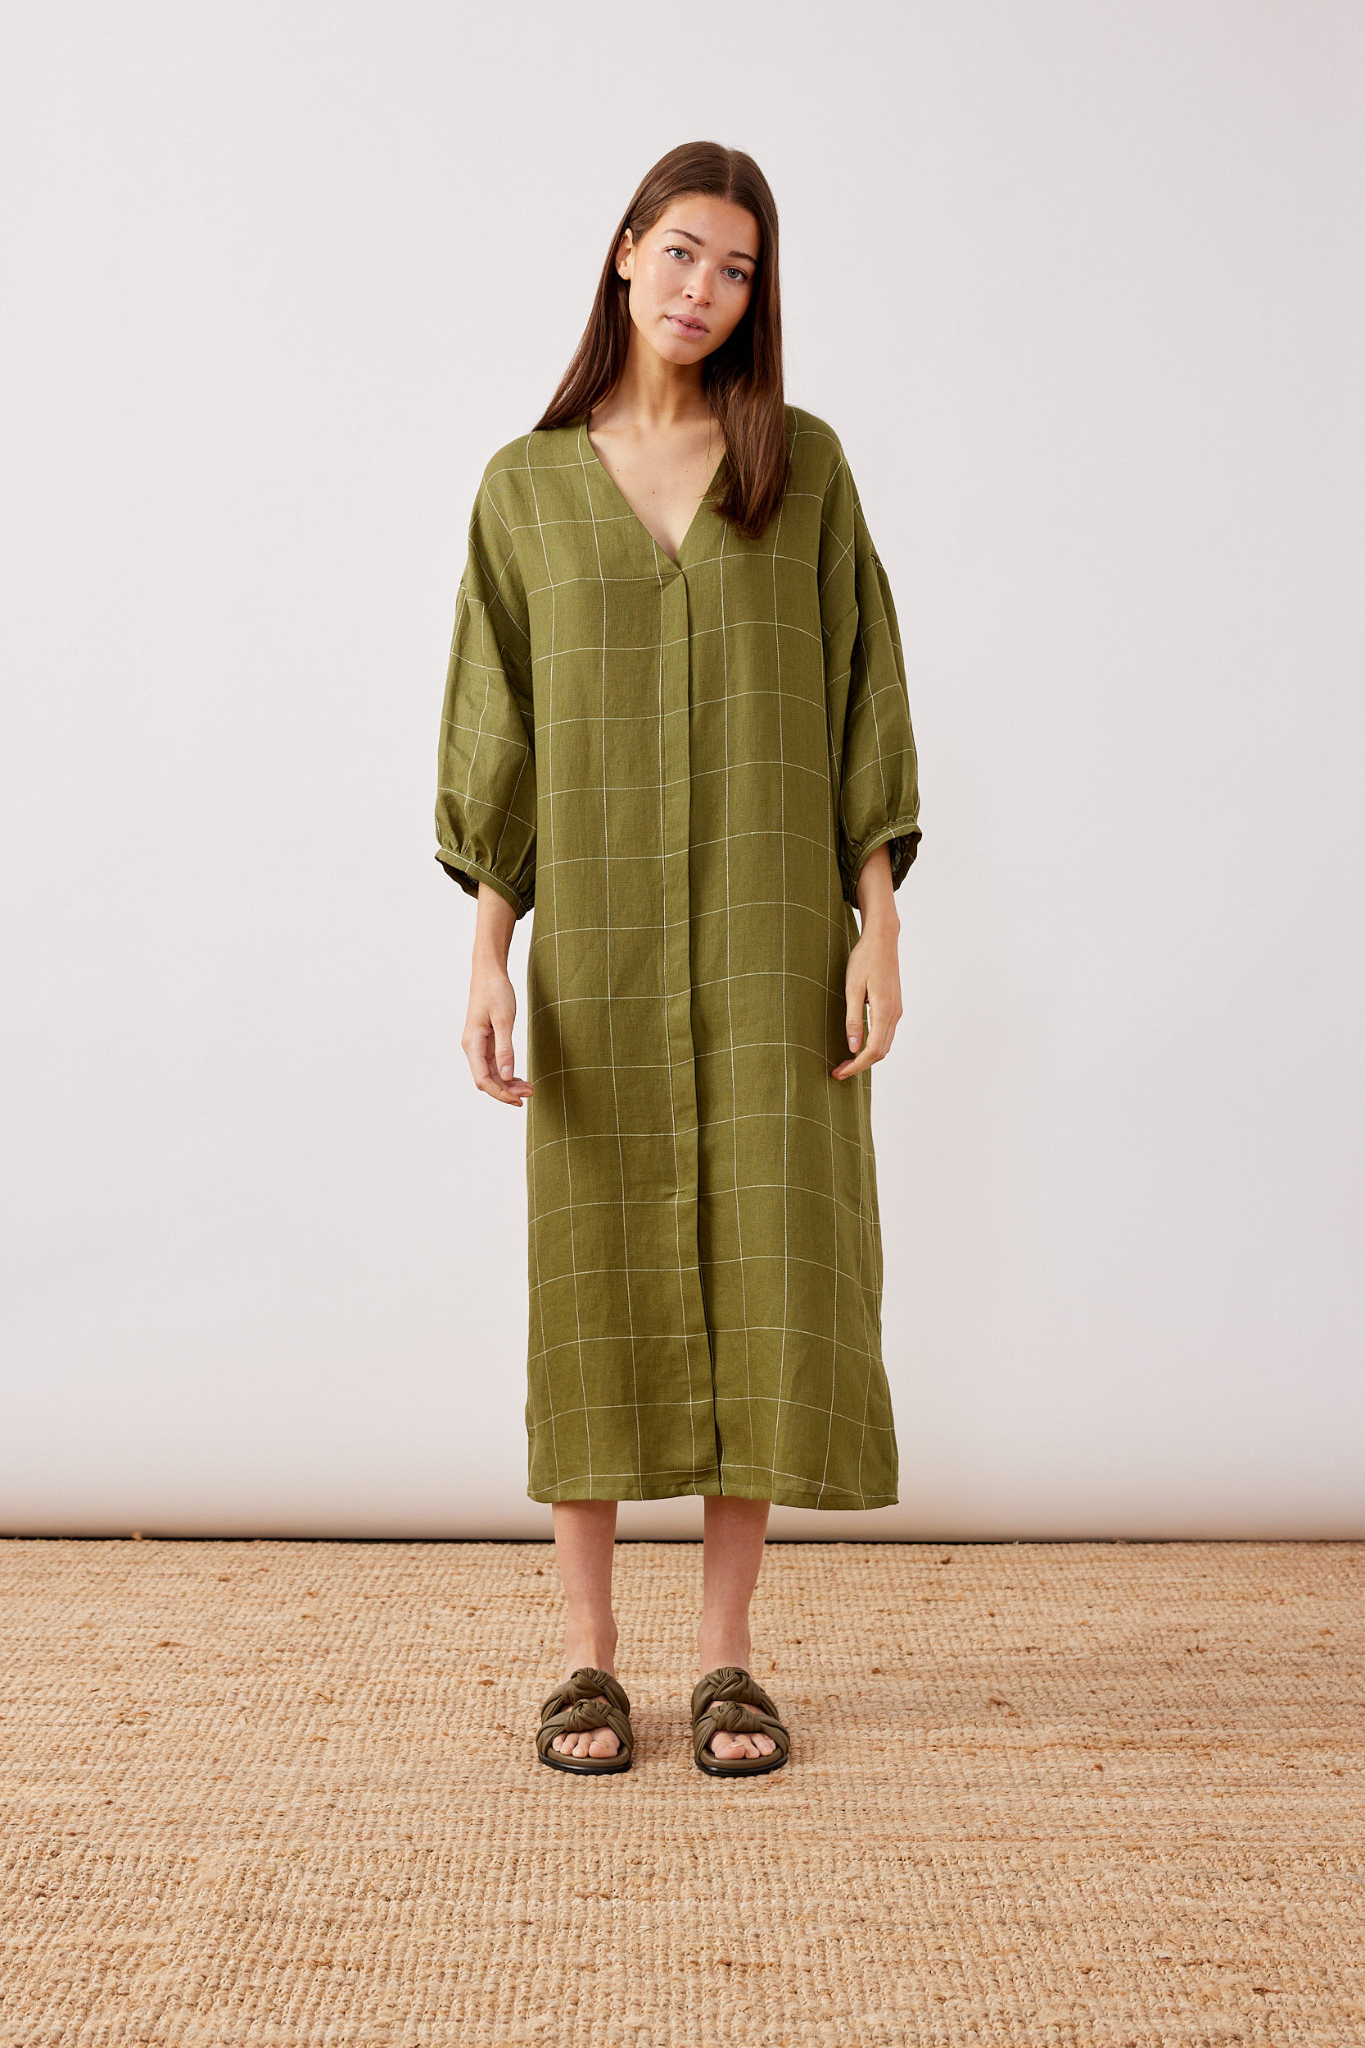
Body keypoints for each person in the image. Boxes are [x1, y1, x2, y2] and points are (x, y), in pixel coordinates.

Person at [434, 140, 922, 1778]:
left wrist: (879, 920)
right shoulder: (525, 487)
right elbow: (494, 733)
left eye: (738, 270)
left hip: (776, 944)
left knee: (770, 1264)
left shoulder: (803, 468)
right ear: (625, 251)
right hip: (605, 956)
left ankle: (727, 1660)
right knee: (592, 1271)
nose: (704, 290)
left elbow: (863, 696)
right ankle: (586, 1658)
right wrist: (489, 952)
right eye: (684, 252)